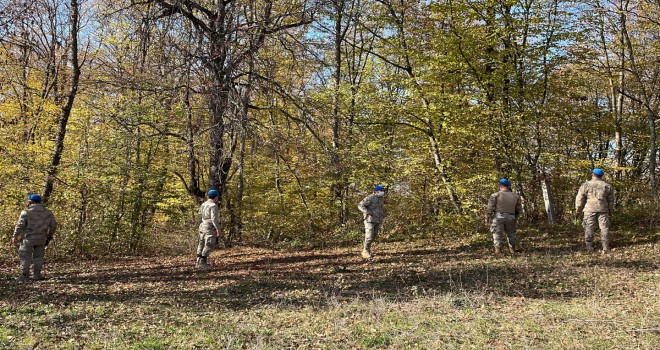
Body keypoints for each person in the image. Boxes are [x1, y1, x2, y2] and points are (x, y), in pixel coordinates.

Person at [11, 194, 57, 281]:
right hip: (42, 238)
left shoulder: (26, 212)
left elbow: (19, 226)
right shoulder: (48, 212)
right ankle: (37, 275)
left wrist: (14, 236)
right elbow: (53, 225)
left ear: (30, 201)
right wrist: (49, 236)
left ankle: (24, 276)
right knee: (39, 257)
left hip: (28, 239)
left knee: (25, 257)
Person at [575, 168, 614, 252]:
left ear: (592, 174)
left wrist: (578, 209)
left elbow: (579, 198)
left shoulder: (585, 185)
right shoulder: (607, 186)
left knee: (589, 227)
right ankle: (605, 247)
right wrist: (611, 210)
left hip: (589, 209)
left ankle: (589, 247)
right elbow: (611, 200)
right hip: (603, 209)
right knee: (604, 228)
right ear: (602, 176)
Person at [485, 179, 522, 254]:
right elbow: (518, 210)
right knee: (511, 234)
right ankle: (512, 250)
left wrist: (487, 218)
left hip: (498, 217)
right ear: (508, 186)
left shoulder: (495, 195)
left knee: (497, 234)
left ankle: (498, 252)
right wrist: (517, 218)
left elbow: (490, 208)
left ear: (500, 186)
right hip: (511, 217)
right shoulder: (516, 196)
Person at [358, 185, 386, 259]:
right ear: (376, 191)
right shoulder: (370, 198)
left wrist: (383, 215)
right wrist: (367, 212)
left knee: (374, 236)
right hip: (369, 220)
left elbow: (379, 209)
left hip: (377, 220)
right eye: (381, 191)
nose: (383, 192)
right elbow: (360, 205)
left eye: (383, 191)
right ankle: (365, 251)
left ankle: (368, 249)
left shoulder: (380, 199)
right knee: (369, 236)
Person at [196, 189, 221, 269]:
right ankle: (202, 263)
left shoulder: (203, 204)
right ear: (216, 197)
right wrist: (217, 229)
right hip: (209, 226)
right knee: (209, 244)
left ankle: (198, 262)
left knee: (201, 243)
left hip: (202, 225)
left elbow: (199, 215)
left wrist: (201, 224)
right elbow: (214, 219)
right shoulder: (213, 205)